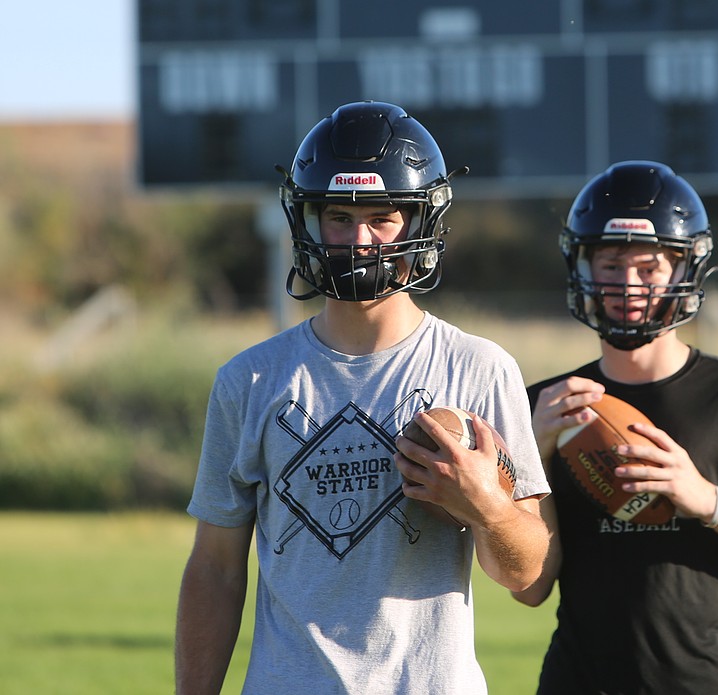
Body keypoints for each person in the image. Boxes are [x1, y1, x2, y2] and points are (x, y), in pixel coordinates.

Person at [174, 101, 551, 695]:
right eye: (339, 217)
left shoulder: (479, 369)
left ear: (422, 220)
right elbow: (216, 569)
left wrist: (488, 507)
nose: (360, 239)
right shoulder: (249, 380)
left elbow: (526, 574)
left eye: (383, 216)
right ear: (307, 222)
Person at [513, 160, 718, 694]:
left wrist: (706, 499)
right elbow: (528, 589)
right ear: (582, 269)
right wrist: (533, 454)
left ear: (684, 271)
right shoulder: (545, 405)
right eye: (610, 264)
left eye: (649, 267)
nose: (628, 285)